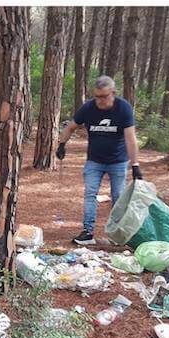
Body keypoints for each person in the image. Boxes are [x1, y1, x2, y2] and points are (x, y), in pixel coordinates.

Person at [56, 75, 142, 245]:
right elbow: (71, 126)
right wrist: (61, 144)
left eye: (104, 96)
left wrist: (135, 165)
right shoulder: (88, 108)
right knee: (90, 194)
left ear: (113, 93)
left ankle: (117, 234)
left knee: (118, 196)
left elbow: (130, 138)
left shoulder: (123, 108)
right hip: (94, 161)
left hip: (118, 161)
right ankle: (87, 232)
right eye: (97, 96)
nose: (100, 101)